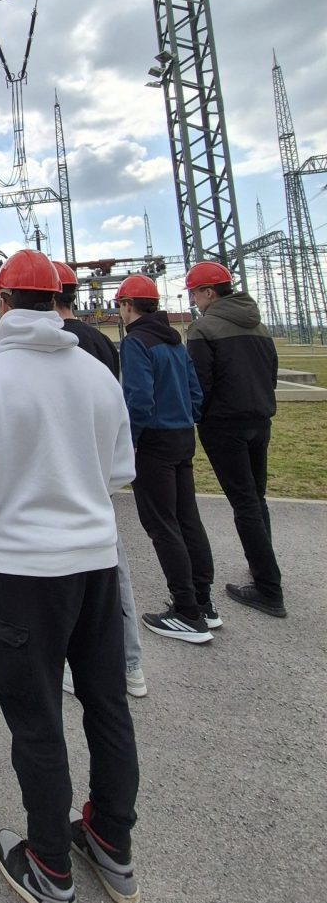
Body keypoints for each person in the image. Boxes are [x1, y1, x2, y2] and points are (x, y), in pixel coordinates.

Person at [0, 250, 140, 903]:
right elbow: (121, 469)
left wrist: (8, 522)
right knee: (107, 706)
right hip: (97, 566)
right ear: (59, 301)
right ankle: (112, 841)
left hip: (27, 576)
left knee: (37, 722)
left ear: (1, 302)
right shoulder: (96, 374)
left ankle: (50, 866)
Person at [53, 263, 146, 698]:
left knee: (65, 579)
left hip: (61, 474)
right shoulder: (103, 343)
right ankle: (130, 665)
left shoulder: (54, 346)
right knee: (111, 570)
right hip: (97, 473)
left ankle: (81, 666)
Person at [117, 274, 218, 644]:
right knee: (187, 518)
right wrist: (185, 417)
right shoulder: (174, 340)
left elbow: (138, 399)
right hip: (182, 436)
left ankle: (186, 612)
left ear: (128, 305)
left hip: (153, 442)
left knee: (162, 525)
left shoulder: (136, 342)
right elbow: (195, 392)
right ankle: (204, 602)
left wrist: (130, 441)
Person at [184, 261, 285, 618]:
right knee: (256, 499)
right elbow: (271, 372)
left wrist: (199, 416)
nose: (194, 300)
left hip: (224, 426)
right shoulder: (258, 325)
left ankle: (268, 589)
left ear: (209, 292)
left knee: (244, 503)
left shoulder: (203, 328)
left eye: (195, 293)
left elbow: (200, 383)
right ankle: (263, 568)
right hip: (260, 420)